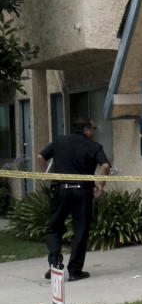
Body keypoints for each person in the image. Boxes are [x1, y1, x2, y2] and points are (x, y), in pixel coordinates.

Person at [38, 115, 111, 281]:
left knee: (54, 228)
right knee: (80, 230)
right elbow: (105, 165)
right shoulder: (93, 146)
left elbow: (41, 157)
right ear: (85, 129)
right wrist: (100, 185)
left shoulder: (60, 141)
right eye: (92, 128)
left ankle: (55, 264)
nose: (94, 131)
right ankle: (75, 271)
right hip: (83, 192)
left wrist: (48, 175)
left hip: (61, 190)